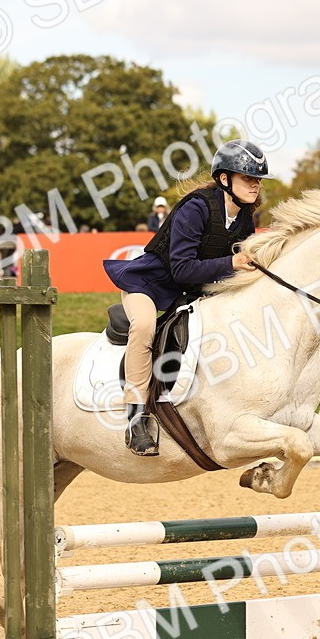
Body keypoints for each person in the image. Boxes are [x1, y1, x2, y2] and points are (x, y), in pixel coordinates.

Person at [102, 139, 267, 456]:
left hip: (194, 292)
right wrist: (232, 262)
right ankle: (135, 417)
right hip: (151, 283)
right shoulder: (195, 208)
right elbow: (181, 268)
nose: (255, 185)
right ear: (224, 179)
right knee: (144, 328)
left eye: (257, 179)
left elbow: (234, 267)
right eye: (248, 177)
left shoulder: (245, 218)